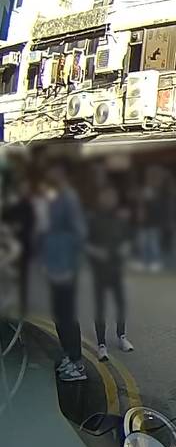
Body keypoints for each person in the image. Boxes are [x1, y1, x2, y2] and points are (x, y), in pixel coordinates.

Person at [41, 162, 87, 382]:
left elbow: (79, 233)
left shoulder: (68, 198)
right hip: (54, 264)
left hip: (64, 266)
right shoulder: (55, 196)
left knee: (66, 314)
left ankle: (77, 364)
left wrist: (69, 265)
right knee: (59, 314)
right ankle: (69, 357)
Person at [87, 185, 134, 361]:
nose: (109, 200)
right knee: (100, 307)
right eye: (106, 197)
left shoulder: (120, 219)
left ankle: (122, 336)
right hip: (99, 270)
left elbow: (128, 238)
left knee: (120, 304)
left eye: (112, 197)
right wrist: (96, 252)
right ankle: (101, 344)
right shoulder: (93, 219)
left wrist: (126, 248)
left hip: (116, 268)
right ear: (101, 199)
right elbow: (85, 243)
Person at [2, 177, 36, 318]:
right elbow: (6, 219)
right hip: (11, 245)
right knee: (10, 276)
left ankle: (23, 306)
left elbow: (31, 224)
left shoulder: (29, 206)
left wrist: (20, 228)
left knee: (23, 278)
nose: (24, 190)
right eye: (22, 187)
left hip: (23, 246)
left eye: (26, 188)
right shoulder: (14, 205)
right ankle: (10, 304)